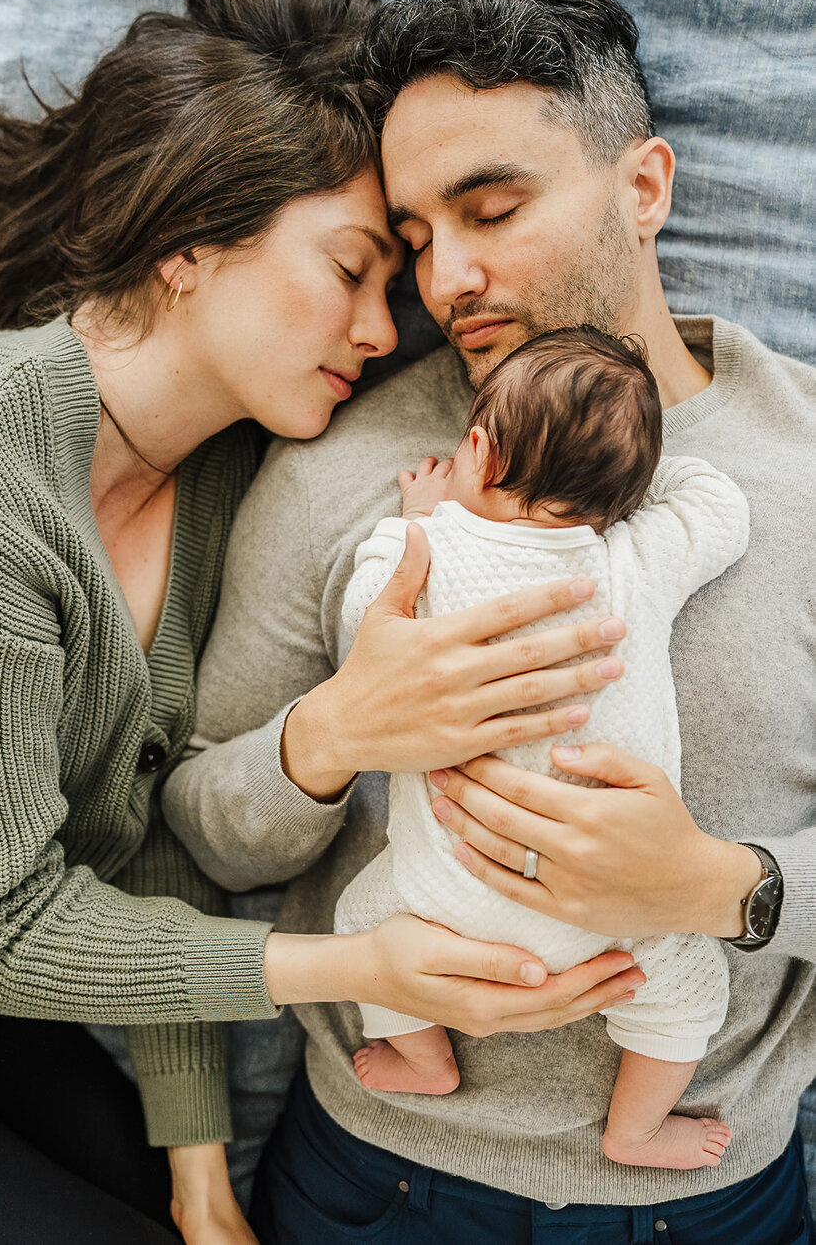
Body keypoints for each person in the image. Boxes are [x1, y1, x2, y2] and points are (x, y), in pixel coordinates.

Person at [0, 0, 645, 1242]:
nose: (393, 326)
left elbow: (150, 838)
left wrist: (201, 1176)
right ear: (188, 245)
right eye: (355, 268)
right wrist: (351, 968)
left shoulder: (212, 484)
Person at [162, 0, 815, 1244]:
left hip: (708, 1198)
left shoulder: (804, 471)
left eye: (494, 208)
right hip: (377, 1180)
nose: (445, 277)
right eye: (413, 239)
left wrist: (727, 885)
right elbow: (201, 832)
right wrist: (333, 736)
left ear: (643, 187)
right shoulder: (345, 470)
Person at [334, 326, 749, 1173]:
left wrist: (414, 519)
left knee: (354, 924)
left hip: (446, 891)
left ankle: (424, 1059)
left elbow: (362, 631)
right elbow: (720, 509)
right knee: (685, 984)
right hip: (615, 899)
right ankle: (632, 1130)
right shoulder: (629, 559)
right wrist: (629, 469)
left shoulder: (428, 552)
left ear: (477, 452)